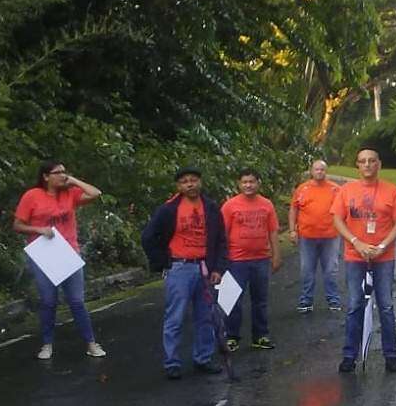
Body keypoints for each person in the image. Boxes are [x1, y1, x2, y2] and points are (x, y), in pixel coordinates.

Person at [12, 161, 107, 360]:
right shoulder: (32, 196)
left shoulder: (69, 194)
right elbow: (18, 225)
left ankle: (91, 343)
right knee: (48, 301)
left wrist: (71, 180)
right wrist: (39, 230)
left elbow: (95, 193)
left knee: (76, 301)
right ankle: (47, 344)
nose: (63, 176)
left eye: (65, 172)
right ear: (46, 177)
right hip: (44, 255)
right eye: (58, 173)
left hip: (69, 252)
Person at [140, 167, 228, 379]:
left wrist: (217, 268)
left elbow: (220, 239)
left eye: (194, 180)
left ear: (200, 182)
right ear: (178, 186)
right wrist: (162, 262)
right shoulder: (169, 209)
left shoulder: (211, 207)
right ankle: (172, 362)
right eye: (185, 181)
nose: (190, 184)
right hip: (179, 267)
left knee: (205, 316)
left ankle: (203, 358)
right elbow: (148, 237)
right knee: (175, 316)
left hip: (204, 267)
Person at [331, 148, 396, 373]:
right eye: (363, 161)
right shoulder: (346, 190)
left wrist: (382, 246)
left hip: (384, 257)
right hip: (355, 256)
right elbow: (337, 220)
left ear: (379, 164)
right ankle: (349, 356)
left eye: (372, 161)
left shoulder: (391, 191)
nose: (367, 165)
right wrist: (356, 242)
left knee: (385, 305)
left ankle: (391, 355)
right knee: (355, 304)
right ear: (357, 165)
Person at [221, 168, 282, 351]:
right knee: (231, 300)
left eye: (252, 181)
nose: (248, 185)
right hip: (235, 261)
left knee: (260, 300)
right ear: (239, 184)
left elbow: (273, 231)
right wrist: (220, 261)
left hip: (260, 259)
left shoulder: (266, 205)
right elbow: (221, 234)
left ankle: (260, 336)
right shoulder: (230, 206)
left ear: (258, 183)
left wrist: (276, 255)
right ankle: (231, 337)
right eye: (244, 182)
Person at [289, 159, 342, 313]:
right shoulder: (302, 189)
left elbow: (343, 211)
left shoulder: (336, 190)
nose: (319, 172)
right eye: (316, 169)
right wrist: (292, 230)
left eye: (322, 169)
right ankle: (306, 301)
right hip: (307, 237)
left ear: (326, 171)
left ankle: (334, 300)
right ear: (311, 171)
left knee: (331, 269)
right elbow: (293, 210)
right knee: (307, 269)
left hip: (331, 236)